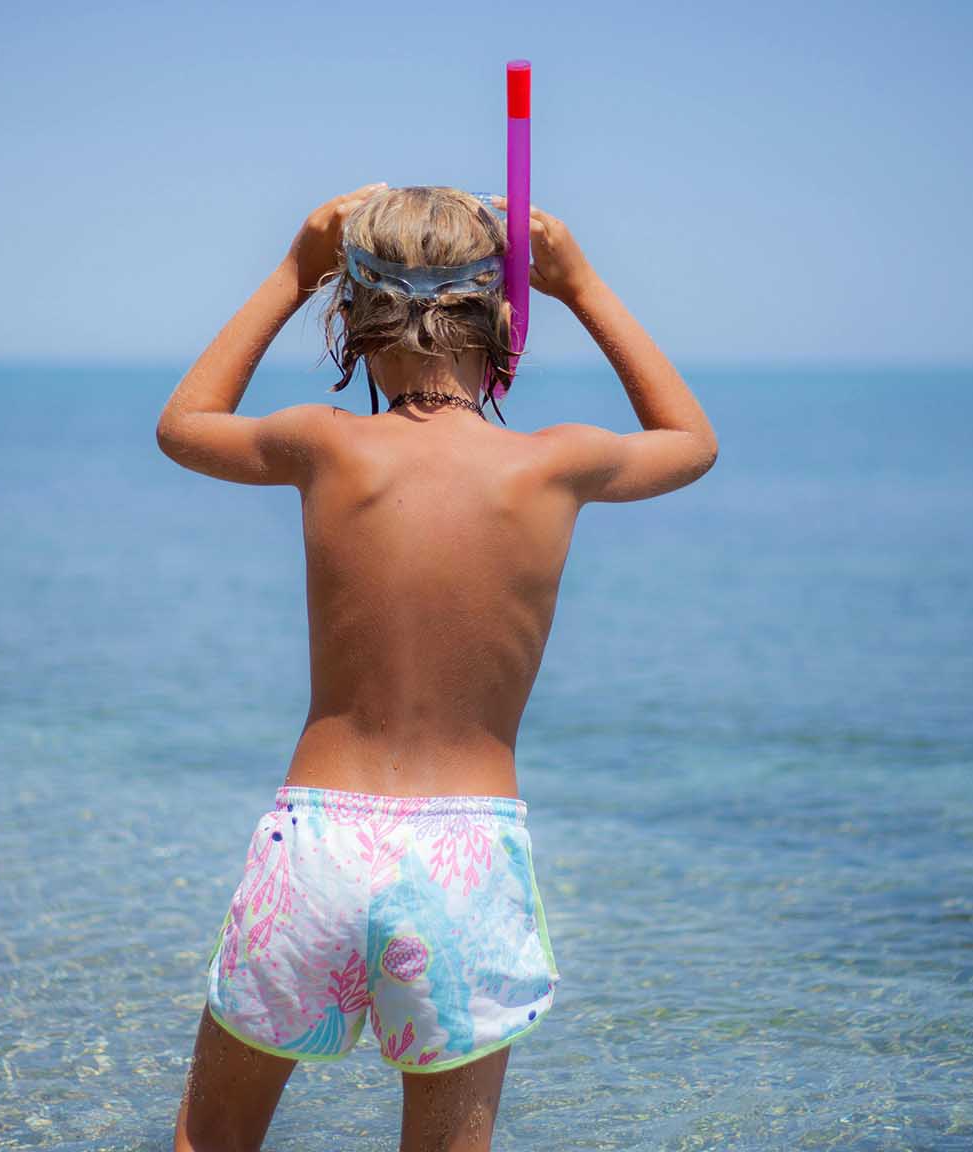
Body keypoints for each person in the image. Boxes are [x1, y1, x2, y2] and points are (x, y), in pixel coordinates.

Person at [156, 183, 718, 1152]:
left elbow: (183, 424)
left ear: (353, 320)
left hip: (320, 845)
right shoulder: (553, 464)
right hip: (464, 857)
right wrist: (581, 283)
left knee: (213, 1141)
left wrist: (293, 267)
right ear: (505, 319)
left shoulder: (323, 444)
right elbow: (691, 442)